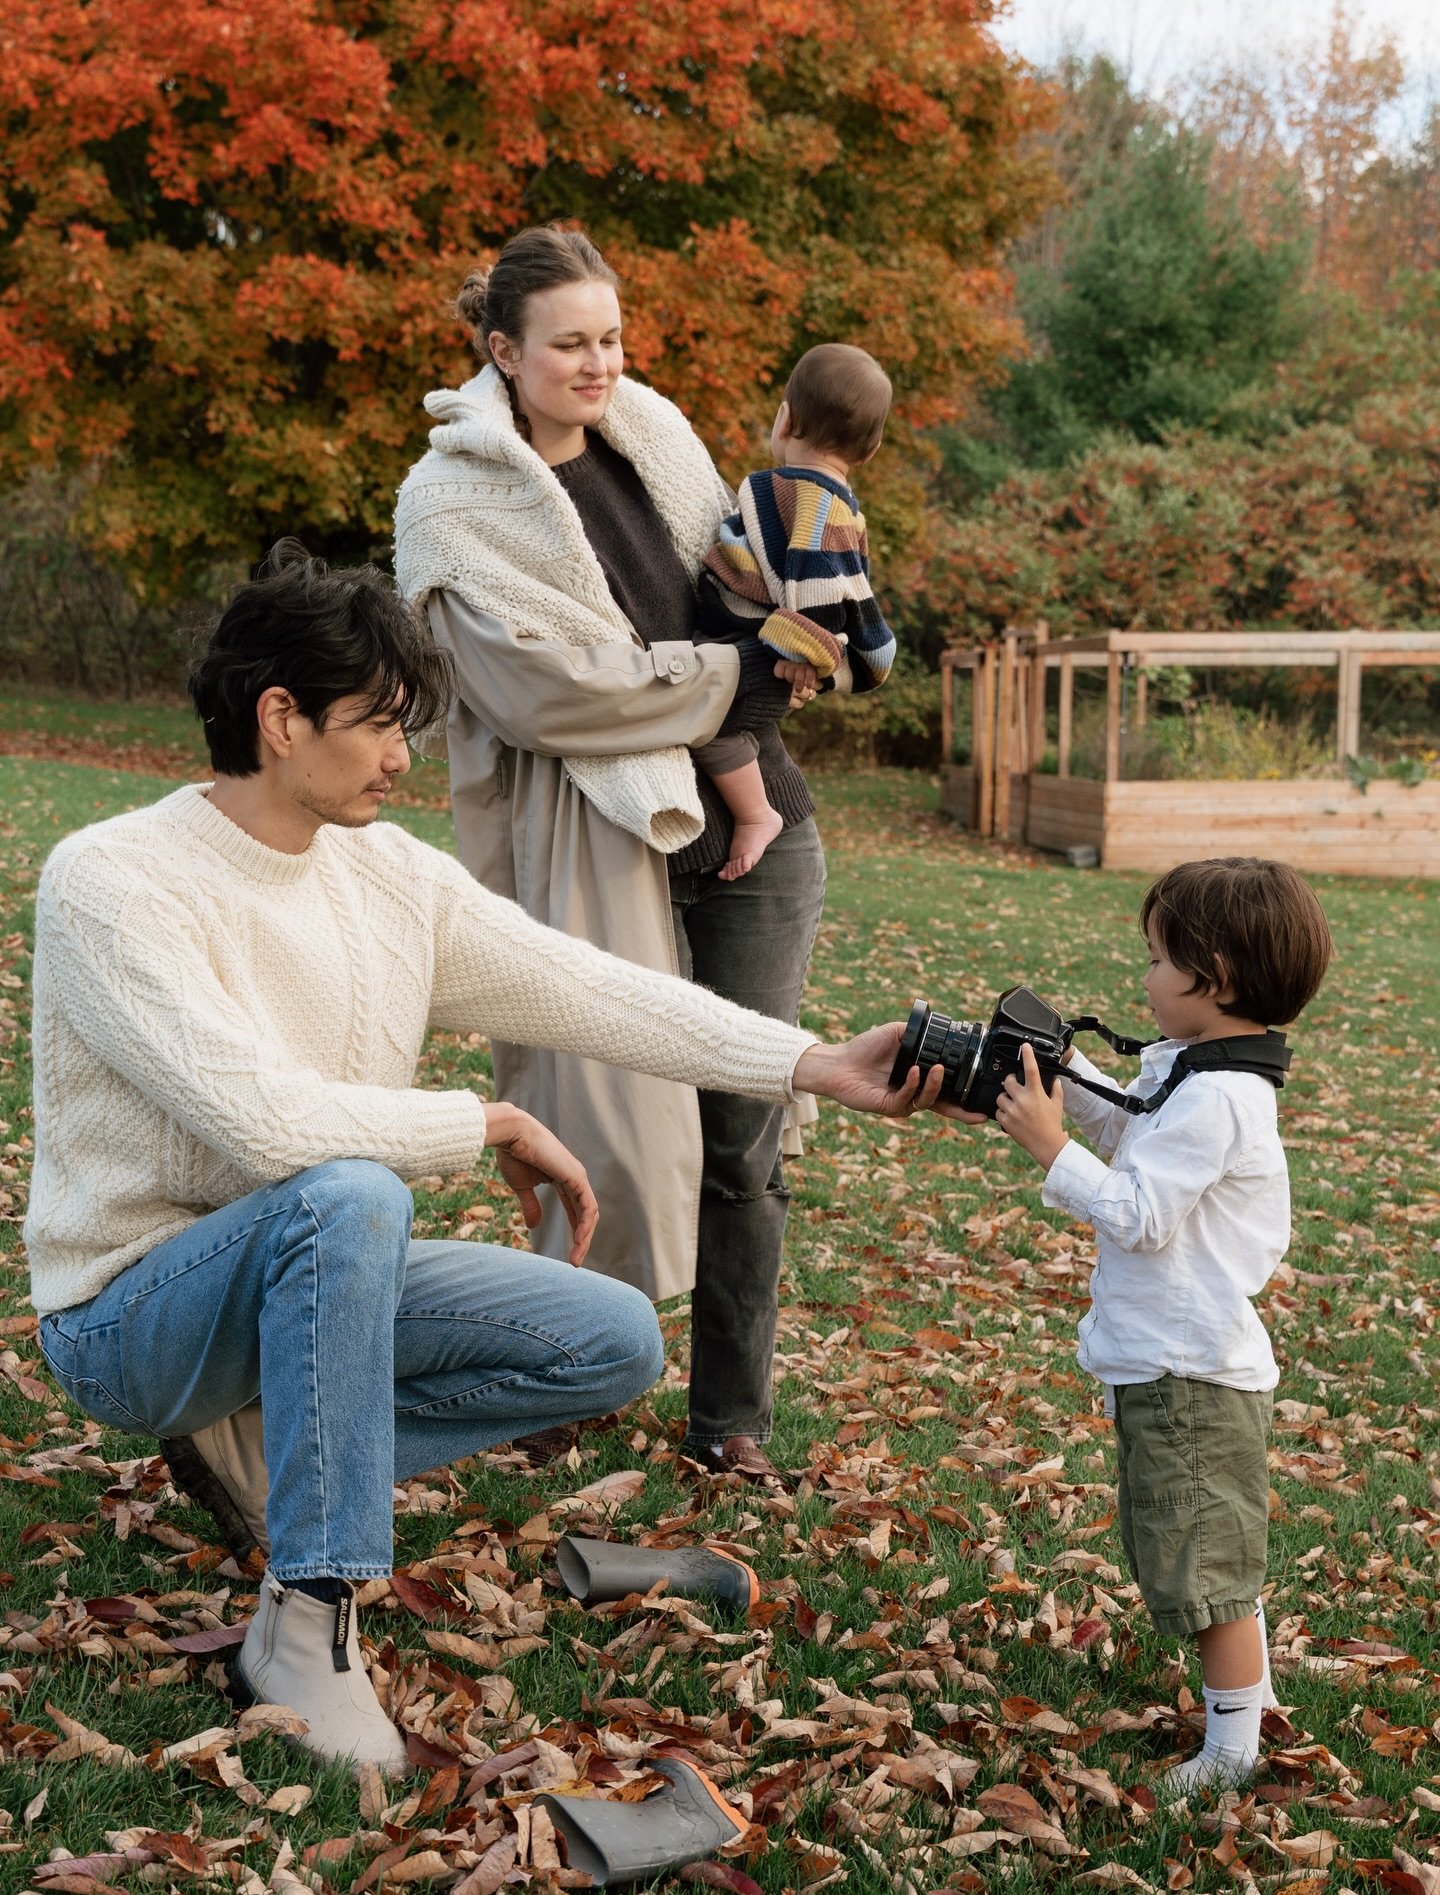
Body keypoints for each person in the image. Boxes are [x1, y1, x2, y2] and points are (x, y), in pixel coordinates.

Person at [24, 543, 949, 1777]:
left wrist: (813, 1061)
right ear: (280, 719)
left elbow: (594, 990)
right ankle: (308, 1618)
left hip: (315, 1267)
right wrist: (489, 1122)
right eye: (378, 726)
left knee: (610, 1337)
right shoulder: (113, 881)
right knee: (350, 1190)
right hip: (132, 1311)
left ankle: (283, 1451)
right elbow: (264, 1126)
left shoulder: (392, 878)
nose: (405, 757)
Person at [395, 225, 840, 1481]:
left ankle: (729, 1425)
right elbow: (547, 693)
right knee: (588, 1130)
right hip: (599, 842)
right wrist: (735, 673)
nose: (599, 364)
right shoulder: (457, 501)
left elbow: (753, 583)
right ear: (503, 350)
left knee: (745, 1138)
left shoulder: (658, 438)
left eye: (611, 338)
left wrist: (800, 629)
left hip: (761, 833)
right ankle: (553, 1384)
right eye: (571, 344)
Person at [991, 858, 1333, 1793]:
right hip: (1182, 1365)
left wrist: (1049, 1147)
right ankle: (1246, 1705)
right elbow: (1134, 1134)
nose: (1144, 976)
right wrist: (1068, 1077)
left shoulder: (1221, 1097)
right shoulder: (1198, 1070)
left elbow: (1140, 1211)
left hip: (1188, 1377)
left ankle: (1232, 1751)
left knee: (1203, 1563)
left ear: (1211, 976)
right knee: (1213, 1549)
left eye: (1156, 958)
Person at [694, 342, 897, 881]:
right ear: (870, 450)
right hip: (758, 631)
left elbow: (814, 578)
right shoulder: (830, 501)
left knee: (709, 722)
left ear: (785, 418)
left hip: (763, 637)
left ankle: (756, 814)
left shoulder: (805, 498)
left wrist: (802, 651)